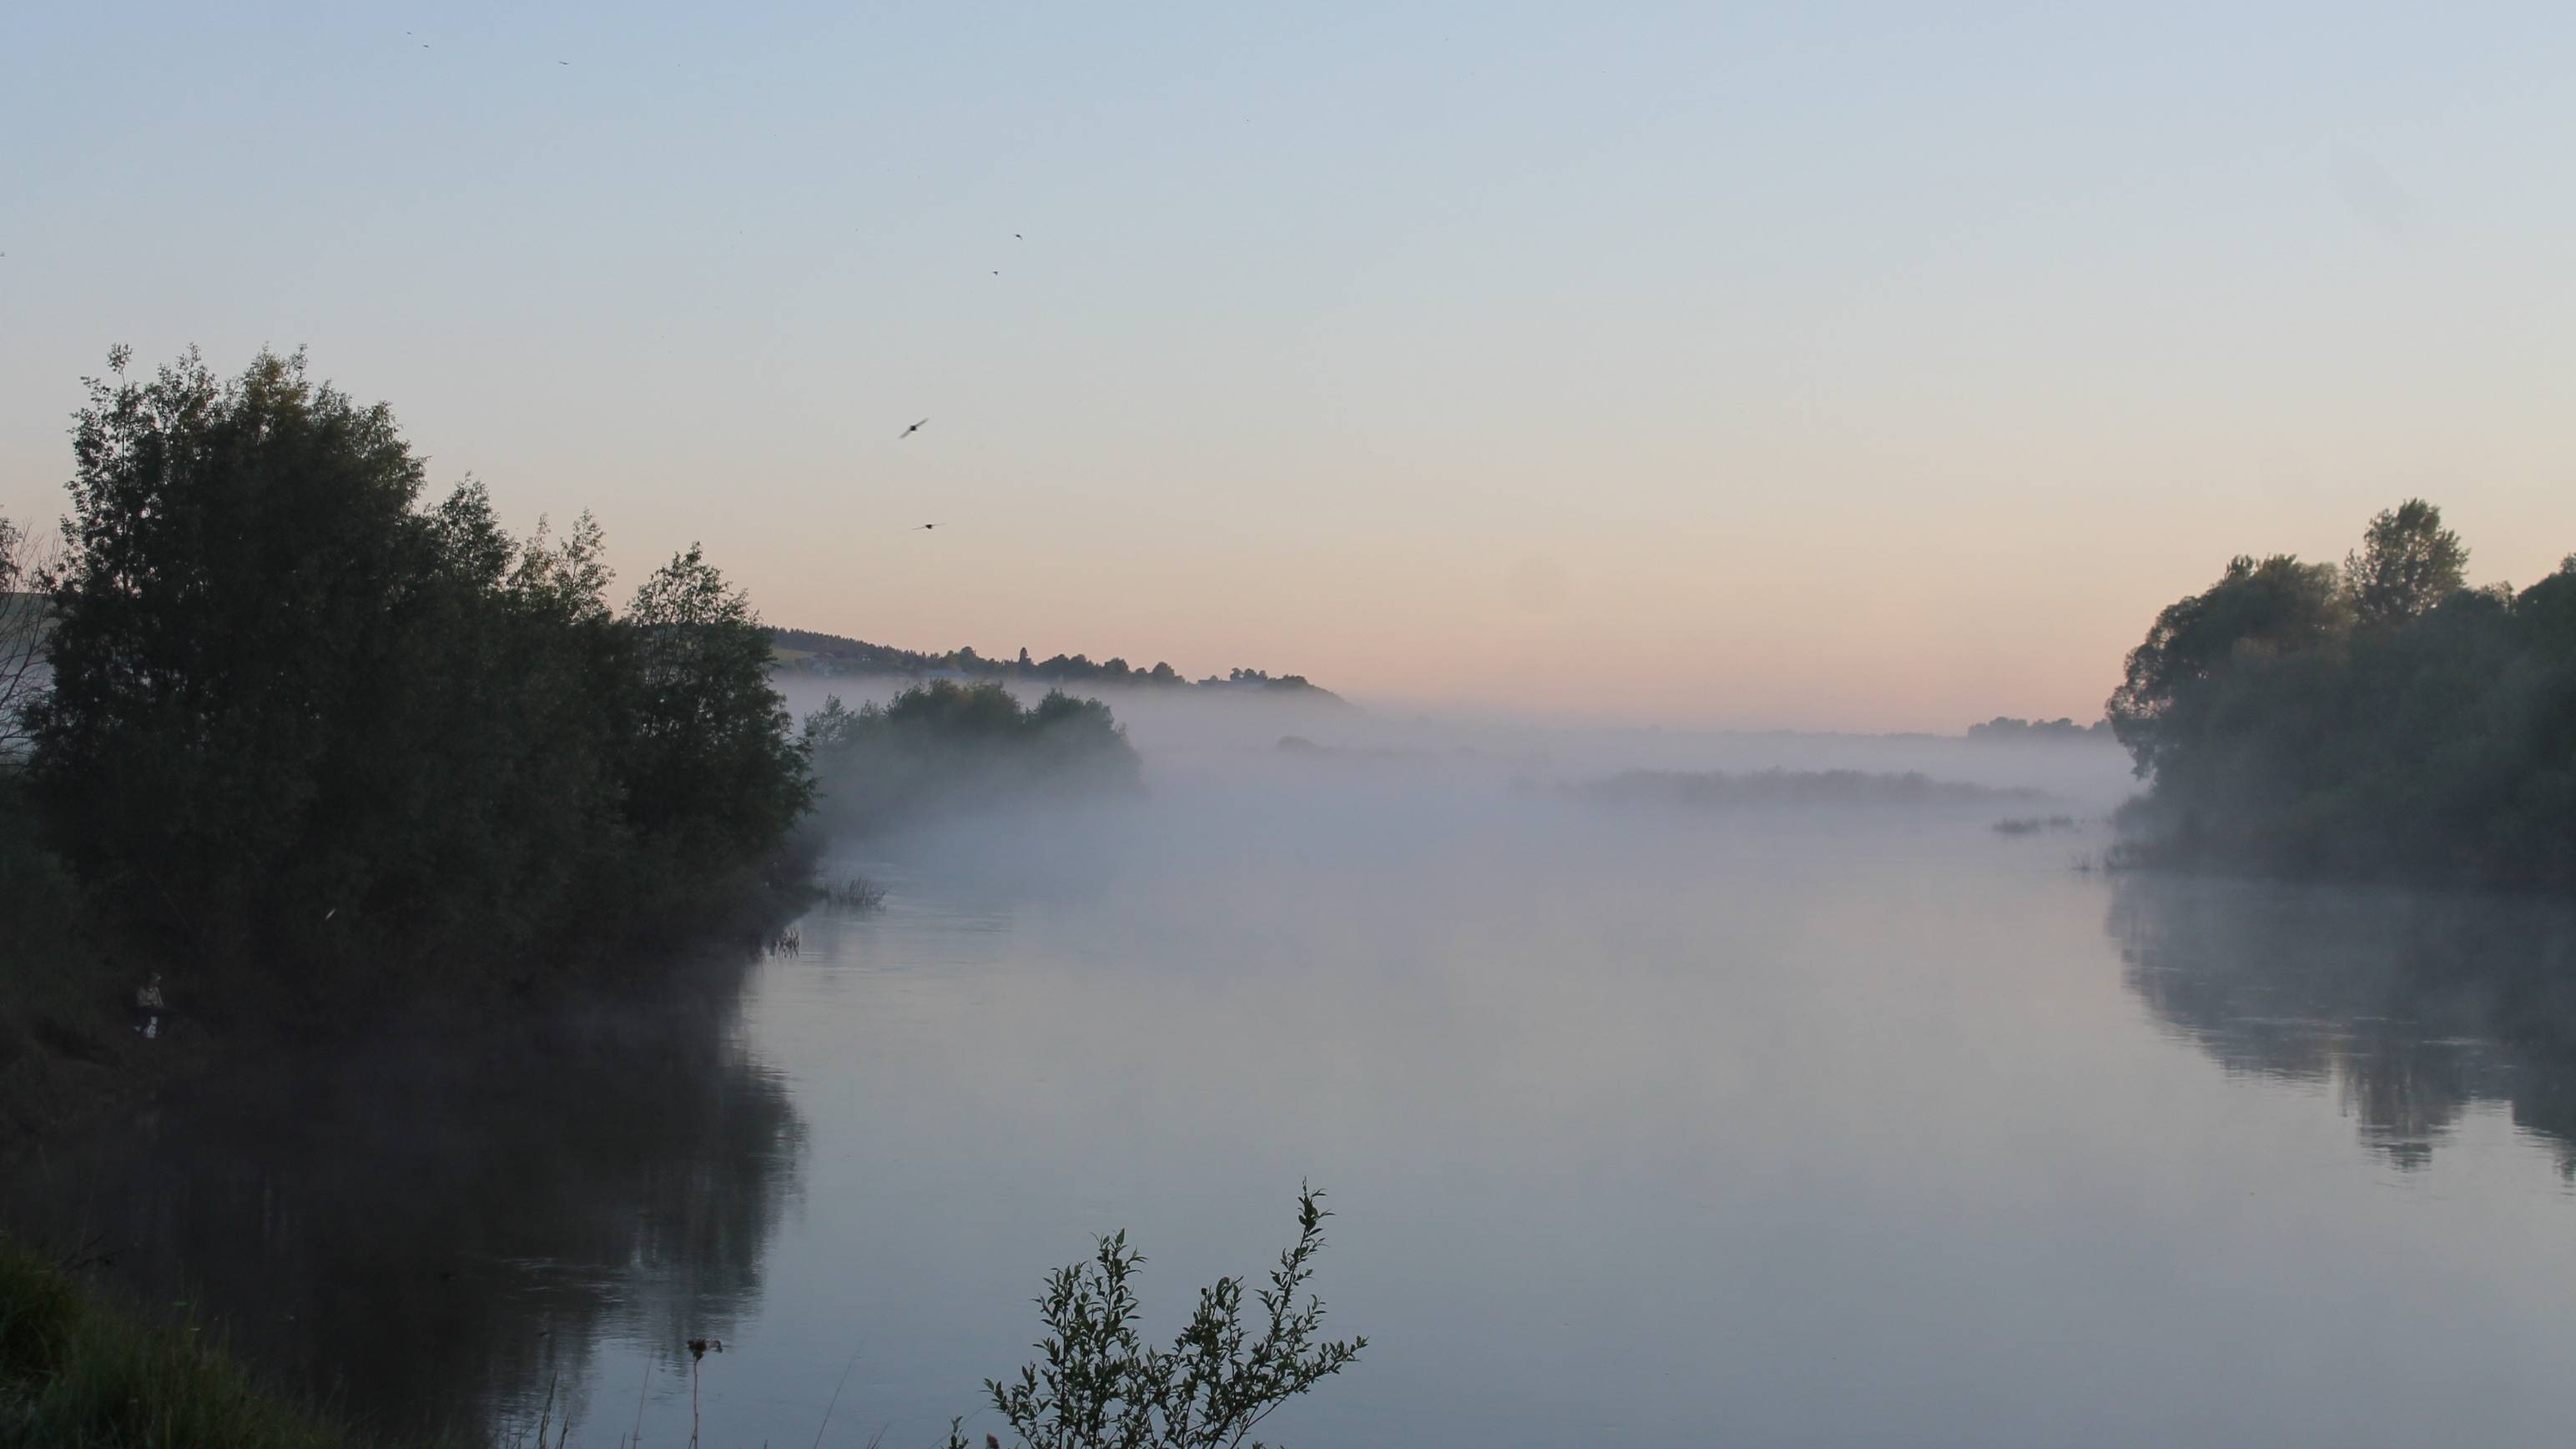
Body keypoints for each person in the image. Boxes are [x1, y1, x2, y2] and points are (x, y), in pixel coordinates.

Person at [132, 972, 165, 1039]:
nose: (157, 982)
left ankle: (158, 1031)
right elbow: (140, 1004)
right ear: (151, 980)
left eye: (157, 981)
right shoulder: (141, 990)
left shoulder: (156, 990)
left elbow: (160, 1003)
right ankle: (145, 1030)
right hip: (144, 1010)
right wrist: (150, 1004)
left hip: (155, 1010)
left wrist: (161, 1007)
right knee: (149, 1010)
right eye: (156, 980)